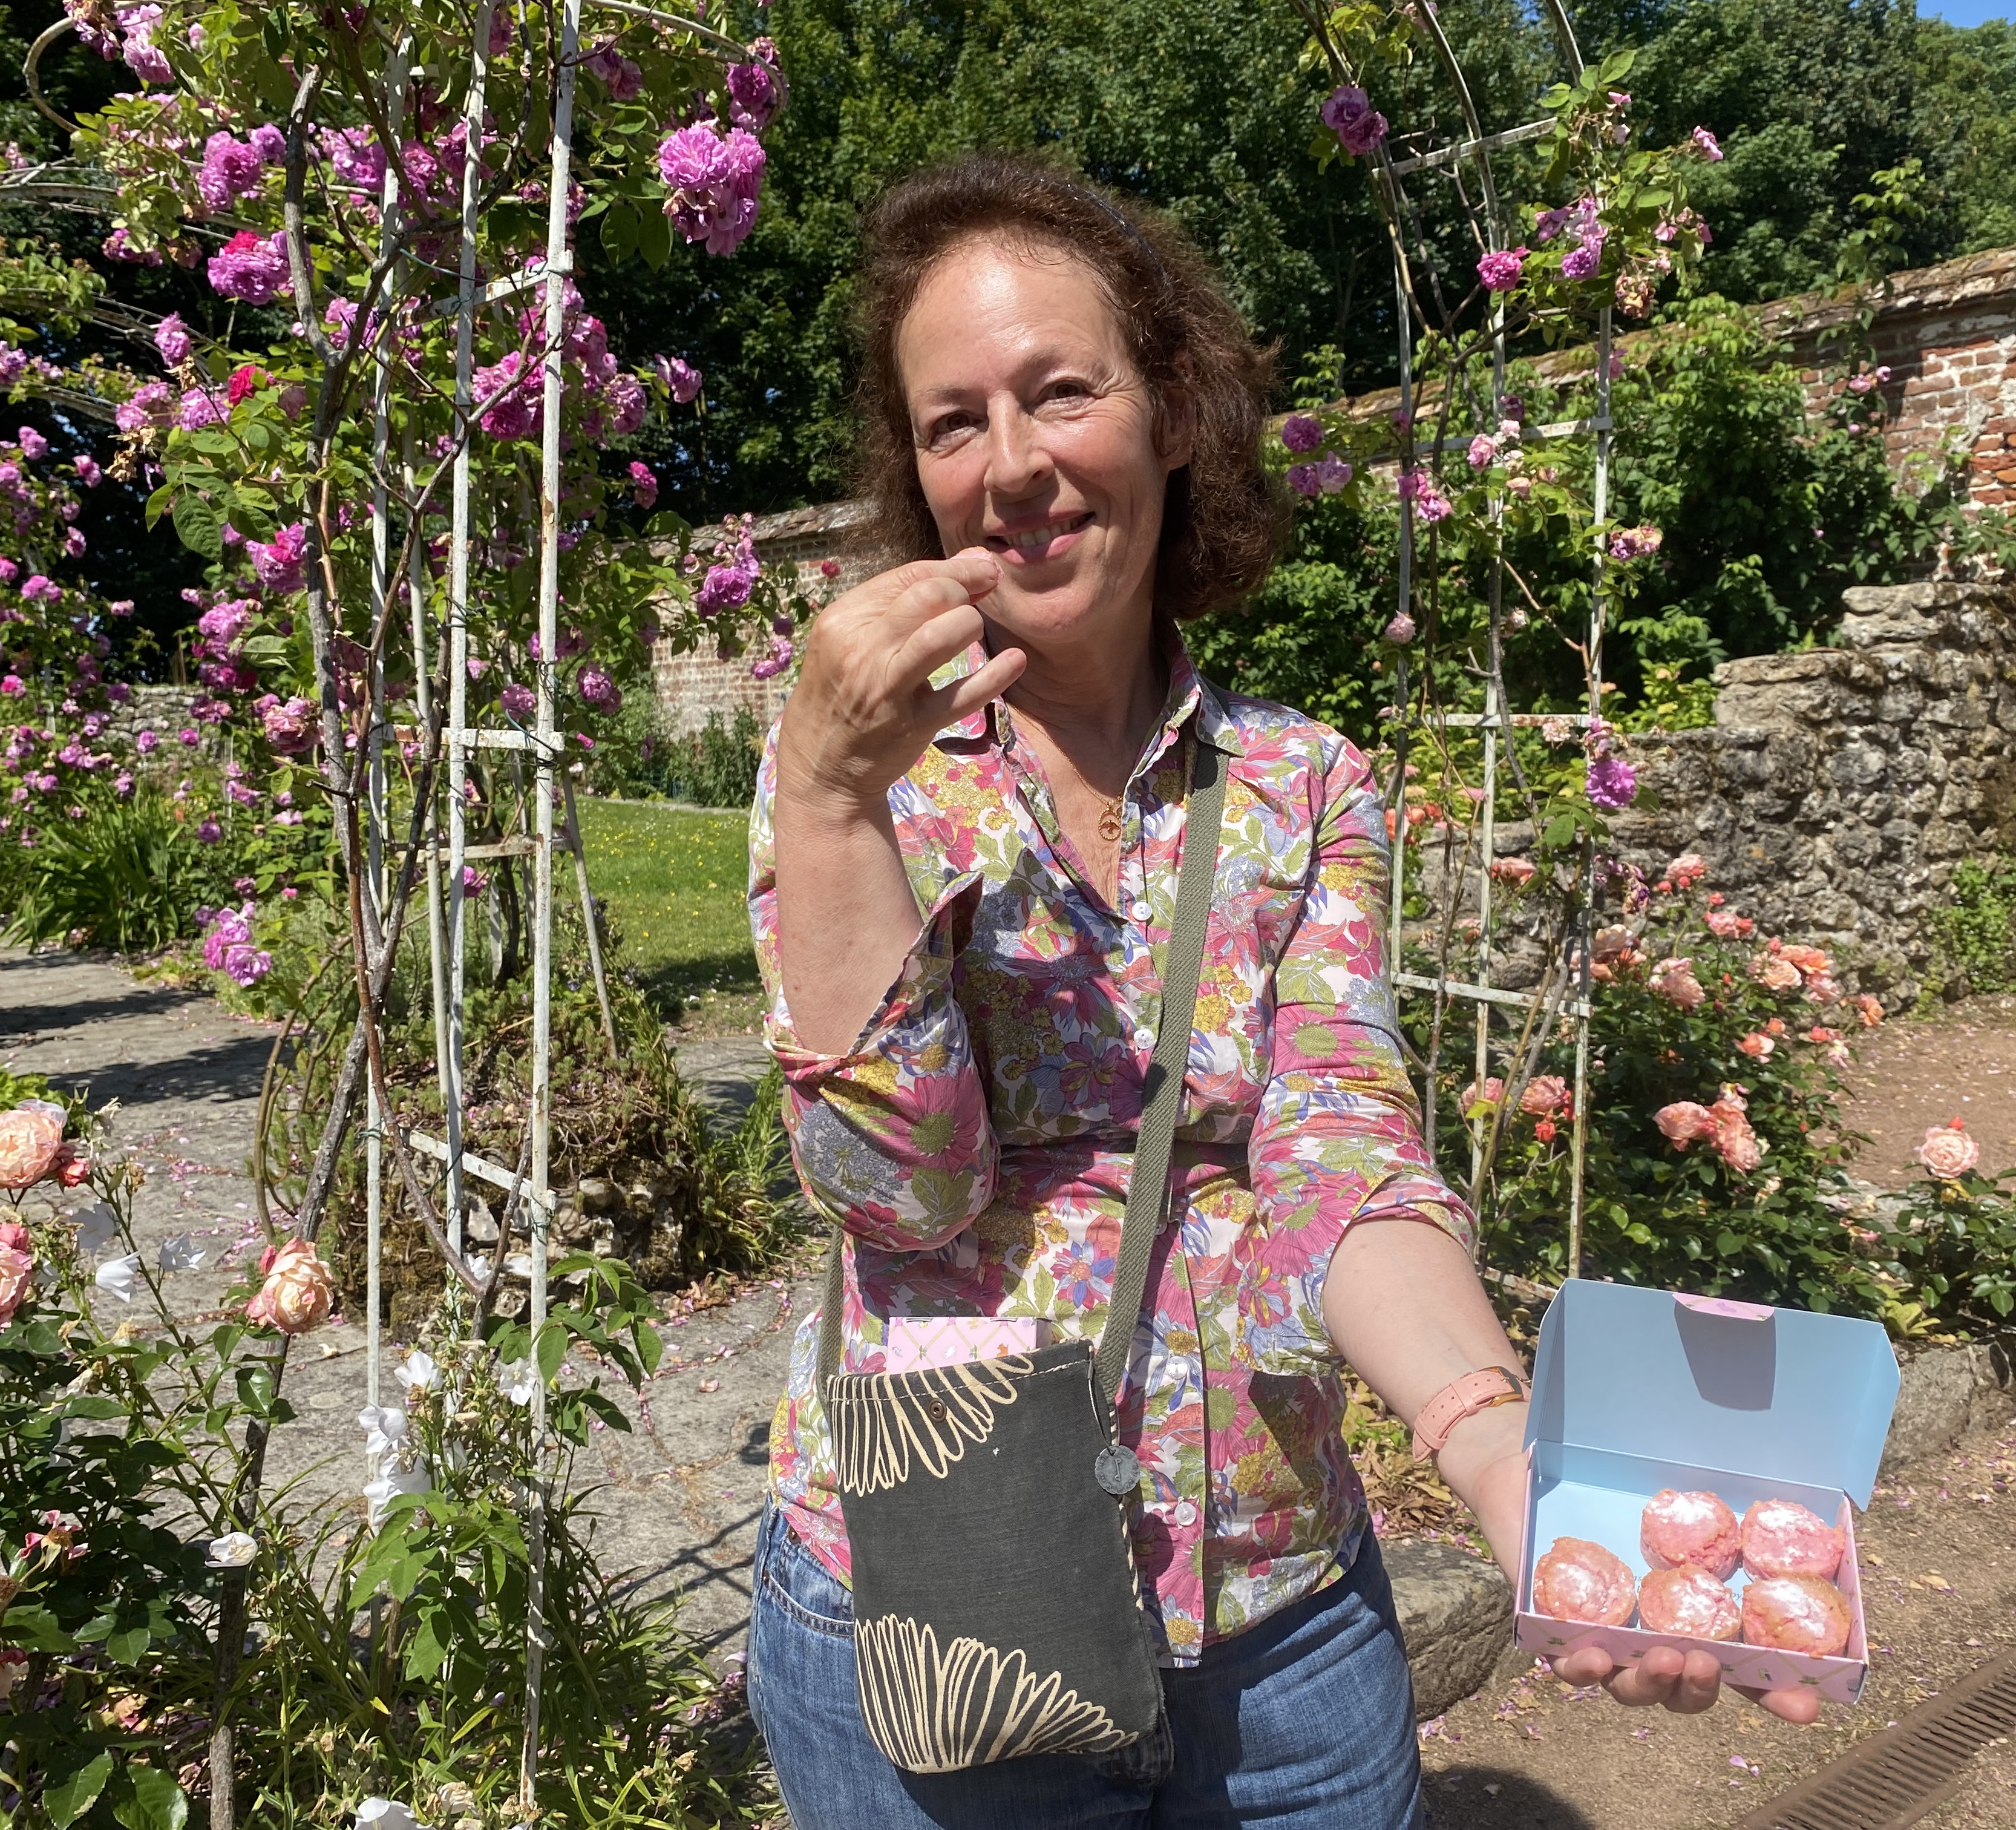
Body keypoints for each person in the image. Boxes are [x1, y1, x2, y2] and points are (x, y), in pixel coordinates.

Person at [744, 151, 1816, 1830]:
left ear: (1169, 410)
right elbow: (901, 1198)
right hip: (951, 1595)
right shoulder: (862, 770)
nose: (1014, 464)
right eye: (954, 423)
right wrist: (820, 801)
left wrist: (1491, 1451)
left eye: (1061, 392)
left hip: (1281, 1626)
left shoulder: (1301, 783)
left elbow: (1339, 1141)